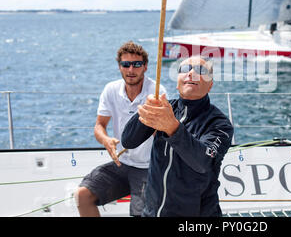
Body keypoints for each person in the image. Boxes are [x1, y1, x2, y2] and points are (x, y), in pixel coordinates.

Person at [122, 56, 234, 217]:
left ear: (210, 85)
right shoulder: (165, 110)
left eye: (200, 70)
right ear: (177, 82)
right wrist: (147, 110)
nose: (191, 73)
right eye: (184, 69)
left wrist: (172, 128)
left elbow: (203, 162)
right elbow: (128, 141)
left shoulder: (220, 124)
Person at [75, 41, 167, 217]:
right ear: (119, 67)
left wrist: (157, 121)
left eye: (137, 64)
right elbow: (99, 126)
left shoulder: (156, 92)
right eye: (126, 64)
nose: (131, 70)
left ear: (145, 67)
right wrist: (106, 140)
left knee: (141, 214)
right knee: (82, 195)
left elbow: (164, 132)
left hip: (149, 167)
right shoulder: (111, 90)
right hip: (121, 163)